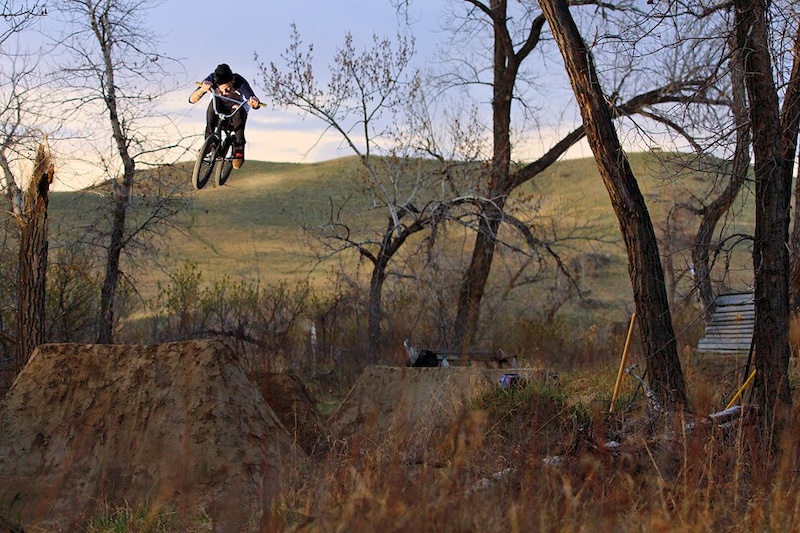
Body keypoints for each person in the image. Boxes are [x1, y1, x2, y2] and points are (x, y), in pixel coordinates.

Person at [189, 63, 261, 169]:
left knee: (236, 107)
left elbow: (251, 98)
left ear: (232, 81)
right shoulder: (212, 79)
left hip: (235, 117)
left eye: (228, 89)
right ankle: (209, 143)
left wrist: (254, 102)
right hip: (219, 112)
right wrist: (202, 90)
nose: (225, 93)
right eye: (221, 89)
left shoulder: (239, 81)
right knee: (212, 105)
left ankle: (238, 148)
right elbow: (191, 99)